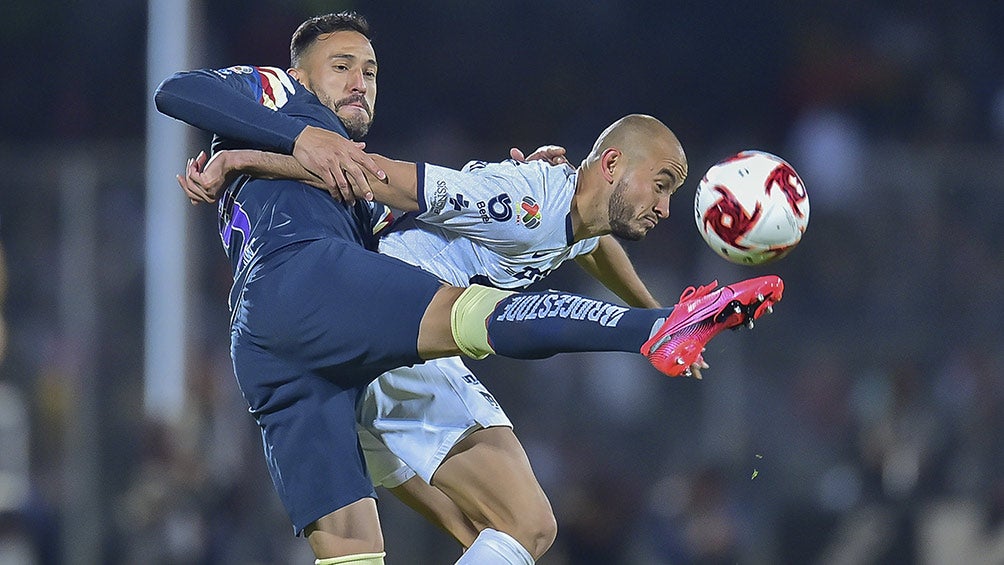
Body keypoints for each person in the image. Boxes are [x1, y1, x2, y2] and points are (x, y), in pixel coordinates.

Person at [155, 12, 784, 565]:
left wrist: (247, 160)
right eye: (341, 66)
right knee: (527, 514)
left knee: (423, 542)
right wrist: (295, 138)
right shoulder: (283, 95)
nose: (360, 82)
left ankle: (660, 324)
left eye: (371, 71)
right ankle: (652, 334)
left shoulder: (553, 207)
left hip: (285, 345)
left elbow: (590, 243)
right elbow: (181, 91)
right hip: (341, 300)